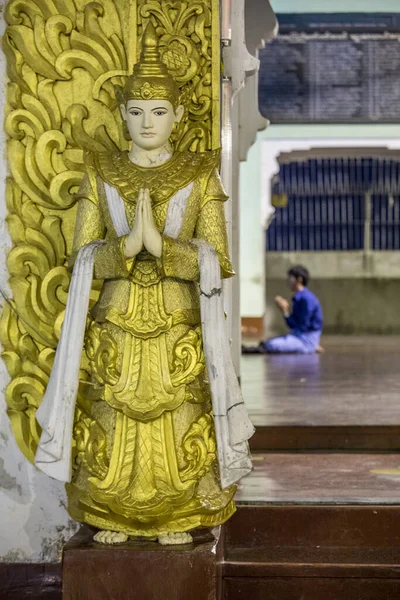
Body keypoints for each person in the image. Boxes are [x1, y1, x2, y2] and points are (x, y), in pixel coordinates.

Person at [33, 24, 254, 546]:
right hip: (118, 315)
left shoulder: (201, 173)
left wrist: (166, 247)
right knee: (114, 407)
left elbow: (218, 259)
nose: (146, 122)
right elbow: (80, 254)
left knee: (178, 411)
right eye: (136, 112)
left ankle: (180, 510)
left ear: (178, 116)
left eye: (158, 112)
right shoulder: (103, 170)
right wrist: (127, 248)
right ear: (123, 115)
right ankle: (110, 510)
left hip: (179, 317)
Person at [243, 265, 323, 355]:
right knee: (271, 342)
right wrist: (285, 311)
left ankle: (310, 347)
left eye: (290, 278)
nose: (288, 280)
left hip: (305, 338)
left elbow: (300, 327)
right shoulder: (300, 297)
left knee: (272, 345)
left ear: (299, 279)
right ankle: (311, 346)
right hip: (300, 336)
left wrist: (285, 310)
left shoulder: (306, 299)